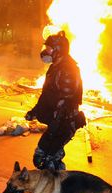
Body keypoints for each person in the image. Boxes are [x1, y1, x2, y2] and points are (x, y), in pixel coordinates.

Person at [25, 31, 86, 171]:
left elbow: (65, 101)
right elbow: (47, 95)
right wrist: (35, 111)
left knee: (48, 161)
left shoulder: (68, 69)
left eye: (49, 49)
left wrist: (55, 124)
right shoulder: (55, 67)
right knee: (40, 157)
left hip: (64, 122)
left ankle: (60, 186)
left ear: (58, 50)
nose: (45, 52)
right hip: (56, 122)